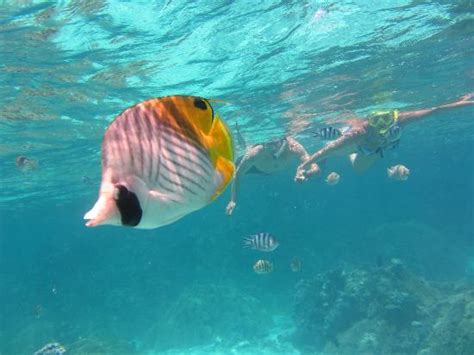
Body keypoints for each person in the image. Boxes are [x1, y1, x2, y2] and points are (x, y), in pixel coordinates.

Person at [295, 93, 474, 181]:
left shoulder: (402, 120)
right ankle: (348, 141)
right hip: (363, 145)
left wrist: (464, 102)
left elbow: (435, 111)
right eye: (376, 120)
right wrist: (302, 167)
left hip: (376, 148)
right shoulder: (361, 131)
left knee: (359, 169)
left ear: (394, 116)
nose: (381, 125)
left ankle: (352, 149)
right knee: (340, 152)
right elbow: (326, 150)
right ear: (368, 120)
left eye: (386, 119)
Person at [226, 136, 318, 215]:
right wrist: (233, 199)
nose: (271, 148)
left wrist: (306, 174)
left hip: (268, 169)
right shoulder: (255, 153)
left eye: (275, 144)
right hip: (255, 169)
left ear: (283, 142)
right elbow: (238, 174)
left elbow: (315, 169)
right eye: (268, 144)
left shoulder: (293, 147)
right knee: (230, 169)